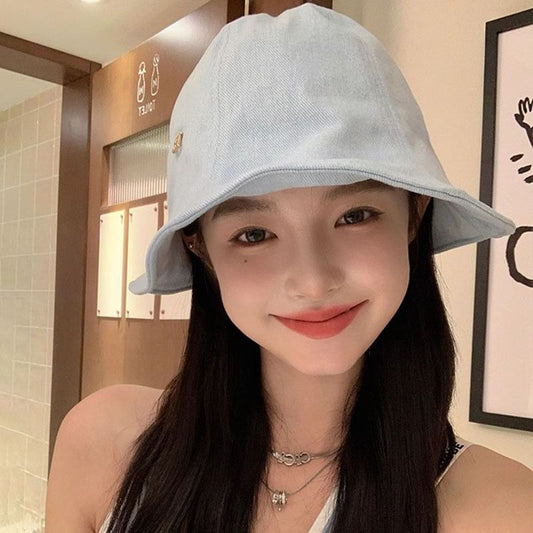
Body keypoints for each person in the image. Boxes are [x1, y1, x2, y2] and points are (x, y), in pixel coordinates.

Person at [45, 4, 532, 532]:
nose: (313, 280)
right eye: (254, 234)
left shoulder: (504, 510)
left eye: (355, 215)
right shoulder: (101, 446)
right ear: (201, 249)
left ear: (414, 215)